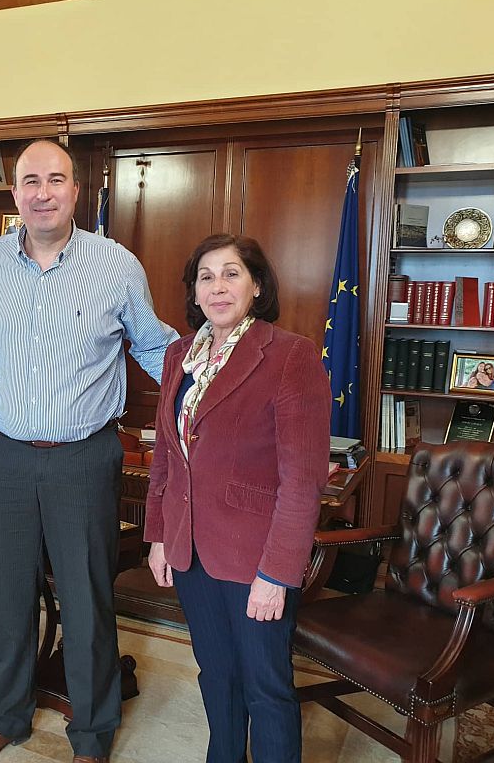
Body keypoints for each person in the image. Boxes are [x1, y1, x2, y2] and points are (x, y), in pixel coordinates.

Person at [0, 139, 177, 763]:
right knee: (9, 592)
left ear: (76, 190)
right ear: (14, 193)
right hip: (5, 457)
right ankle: (5, 717)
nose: (42, 192)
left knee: (86, 599)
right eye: (30, 181)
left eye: (55, 180)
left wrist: (215, 386)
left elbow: (155, 347)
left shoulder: (116, 265)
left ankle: (92, 736)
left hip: (82, 459)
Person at [146, 234, 330, 763]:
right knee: (216, 674)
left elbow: (302, 481)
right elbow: (167, 455)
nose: (218, 287)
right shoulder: (179, 355)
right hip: (189, 548)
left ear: (257, 286)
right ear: (194, 291)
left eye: (231, 274)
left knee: (265, 686)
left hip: (255, 557)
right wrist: (159, 536)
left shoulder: (290, 355)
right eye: (206, 276)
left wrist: (278, 573)